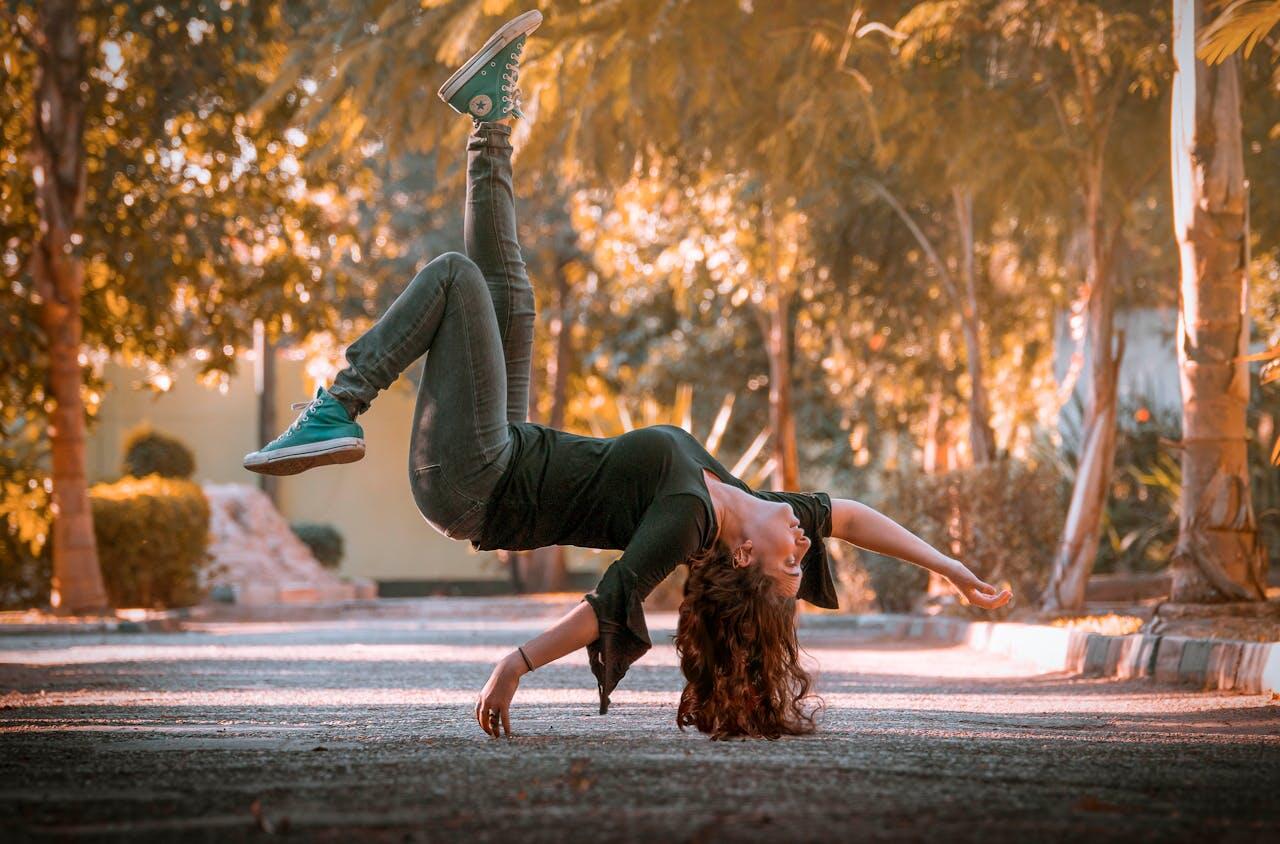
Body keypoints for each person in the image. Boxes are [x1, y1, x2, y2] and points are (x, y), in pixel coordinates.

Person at [244, 10, 1013, 741]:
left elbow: (611, 600)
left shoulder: (688, 518)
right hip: (508, 447)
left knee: (453, 278)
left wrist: (513, 665)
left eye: (793, 562)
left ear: (745, 557)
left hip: (473, 484)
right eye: (803, 558)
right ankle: (488, 119)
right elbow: (850, 516)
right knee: (510, 297)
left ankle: (338, 405)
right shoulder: (747, 500)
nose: (805, 544)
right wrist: (949, 567)